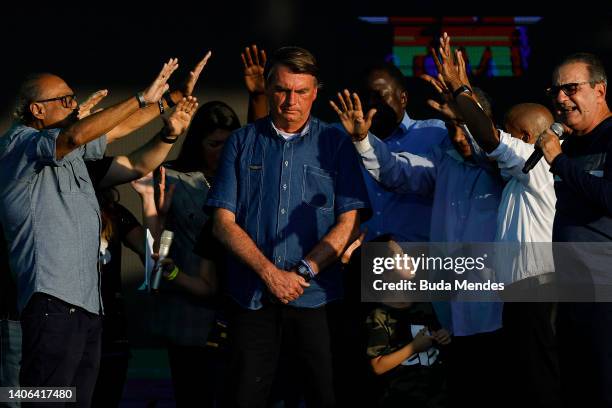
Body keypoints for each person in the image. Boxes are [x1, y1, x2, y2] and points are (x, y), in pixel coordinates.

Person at [0, 58, 190, 406]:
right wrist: (141, 98)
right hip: (51, 306)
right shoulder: (19, 145)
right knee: (42, 400)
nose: (76, 105)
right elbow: (78, 134)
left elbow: (119, 136)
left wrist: (170, 100)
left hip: (90, 312)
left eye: (75, 99)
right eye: (66, 100)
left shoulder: (74, 161)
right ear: (37, 109)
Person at [206, 46, 371, 407]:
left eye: (300, 92)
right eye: (281, 90)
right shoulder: (241, 142)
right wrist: (270, 274)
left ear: (315, 92)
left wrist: (305, 270)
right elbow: (222, 222)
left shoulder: (336, 143)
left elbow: (350, 219)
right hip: (251, 299)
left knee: (324, 397)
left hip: (318, 299)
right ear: (267, 89)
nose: (290, 101)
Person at [330, 74, 504, 407]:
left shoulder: (507, 166)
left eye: (464, 124)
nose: (455, 135)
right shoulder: (445, 162)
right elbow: (397, 172)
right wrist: (364, 141)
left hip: (497, 308)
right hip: (448, 304)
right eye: (451, 125)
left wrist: (464, 91)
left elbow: (501, 152)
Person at [432, 32, 561, 407]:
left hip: (534, 288)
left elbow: (489, 139)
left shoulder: (535, 163)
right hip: (525, 290)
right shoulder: (528, 172)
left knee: (537, 382)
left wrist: (460, 90)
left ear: (522, 136)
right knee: (523, 380)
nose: (502, 133)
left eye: (508, 127)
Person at [131, 100, 241, 407]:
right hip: (189, 306)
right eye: (214, 144)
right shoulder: (173, 177)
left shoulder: (242, 179)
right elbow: (156, 243)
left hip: (235, 307)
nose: (222, 151)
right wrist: (154, 214)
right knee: (193, 393)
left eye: (229, 143)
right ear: (198, 142)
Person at [537, 52, 612, 408]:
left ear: (599, 90)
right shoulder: (573, 143)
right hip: (571, 291)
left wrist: (561, 163)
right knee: (575, 387)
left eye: (571, 88)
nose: (561, 99)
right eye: (555, 91)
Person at [357, 62, 448, 242]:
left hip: (421, 262)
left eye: (378, 96)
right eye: (365, 97)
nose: (370, 104)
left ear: (403, 98)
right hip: (361, 261)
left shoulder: (437, 134)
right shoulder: (346, 139)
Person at [366, 301, 450, 408]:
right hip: (402, 397)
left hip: (436, 394)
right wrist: (413, 348)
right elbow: (377, 366)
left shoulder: (424, 305)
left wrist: (442, 336)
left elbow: (435, 332)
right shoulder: (379, 314)